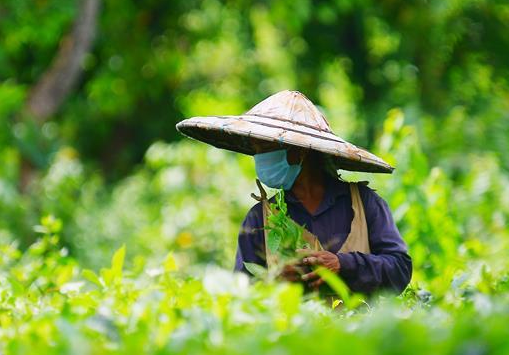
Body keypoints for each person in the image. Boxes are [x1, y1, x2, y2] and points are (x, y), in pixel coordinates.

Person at [176, 90, 412, 294]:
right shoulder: (259, 219)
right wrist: (275, 280)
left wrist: (343, 264)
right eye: (257, 149)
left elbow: (400, 269)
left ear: (298, 152)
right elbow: (242, 293)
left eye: (266, 147)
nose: (260, 158)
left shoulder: (364, 204)